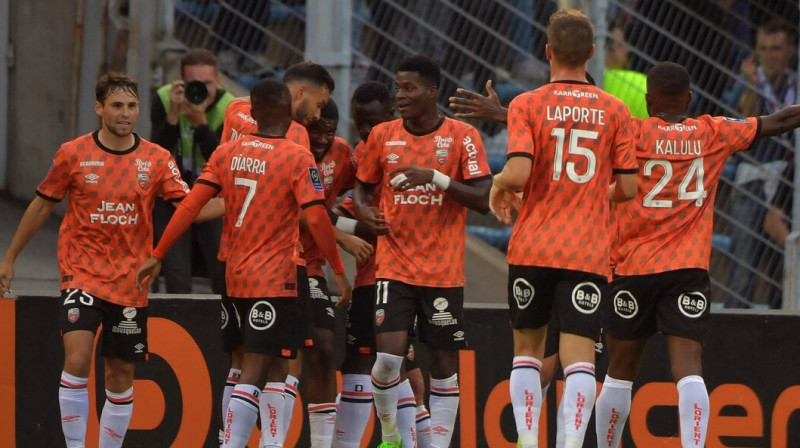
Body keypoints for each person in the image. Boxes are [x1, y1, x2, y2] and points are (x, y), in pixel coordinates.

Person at [0, 72, 214, 448]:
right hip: (81, 272)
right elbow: (40, 206)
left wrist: (248, 197)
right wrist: (10, 256)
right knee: (79, 358)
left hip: (131, 282)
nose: (125, 113)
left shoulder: (156, 159)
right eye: (117, 105)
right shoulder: (73, 154)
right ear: (99, 108)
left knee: (120, 374)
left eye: (131, 106)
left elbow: (191, 210)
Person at [594, 61, 800, 448]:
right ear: (689, 99)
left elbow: (566, 132)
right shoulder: (713, 131)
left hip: (632, 268)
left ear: (648, 99)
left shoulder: (630, 132)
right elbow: (779, 121)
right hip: (687, 268)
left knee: (619, 372)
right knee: (689, 373)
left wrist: (506, 115)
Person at [137, 78, 352, 448]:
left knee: (246, 365)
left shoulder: (227, 151)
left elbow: (190, 205)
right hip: (276, 273)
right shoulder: (297, 153)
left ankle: (242, 439)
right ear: (290, 113)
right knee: (267, 365)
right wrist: (339, 268)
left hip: (232, 269)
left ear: (252, 112)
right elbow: (315, 217)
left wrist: (158, 253)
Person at [489, 9, 638, 448]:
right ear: (592, 53)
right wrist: (595, 194)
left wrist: (500, 185)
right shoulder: (616, 110)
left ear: (548, 51)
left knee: (527, 352)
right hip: (587, 250)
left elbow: (517, 174)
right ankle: (571, 443)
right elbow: (628, 187)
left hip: (534, 246)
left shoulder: (527, 103)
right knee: (579, 360)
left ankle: (529, 442)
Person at [354, 54, 492, 448]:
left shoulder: (463, 136)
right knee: (386, 361)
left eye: (409, 88)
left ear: (433, 92)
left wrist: (434, 176)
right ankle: (391, 436)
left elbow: (483, 198)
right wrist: (367, 211)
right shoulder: (383, 136)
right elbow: (362, 188)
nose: (400, 95)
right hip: (394, 266)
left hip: (442, 270)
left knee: (444, 365)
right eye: (398, 86)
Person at [333, 81, 432, 448]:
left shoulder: (403, 152)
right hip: (383, 278)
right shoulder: (365, 152)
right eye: (359, 125)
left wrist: (343, 225)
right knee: (404, 373)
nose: (365, 133)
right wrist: (344, 227)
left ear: (392, 115)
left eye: (371, 124)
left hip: (394, 279)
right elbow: (342, 215)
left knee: (370, 368)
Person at [725, 19, 797, 308]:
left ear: (791, 50)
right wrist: (752, 87)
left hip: (789, 182)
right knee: (743, 271)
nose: (770, 56)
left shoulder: (795, 81)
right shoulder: (747, 78)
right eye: (763, 49)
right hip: (752, 176)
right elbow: (744, 124)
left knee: (786, 266)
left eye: (777, 49)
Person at [150, 47, 235, 294]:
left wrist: (201, 124)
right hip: (171, 194)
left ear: (218, 81)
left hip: (211, 194)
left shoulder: (230, 108)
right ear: (181, 82)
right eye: (193, 83)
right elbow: (156, 155)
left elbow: (224, 162)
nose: (201, 90)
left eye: (207, 83)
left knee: (222, 267)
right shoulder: (166, 99)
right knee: (176, 273)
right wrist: (173, 117)